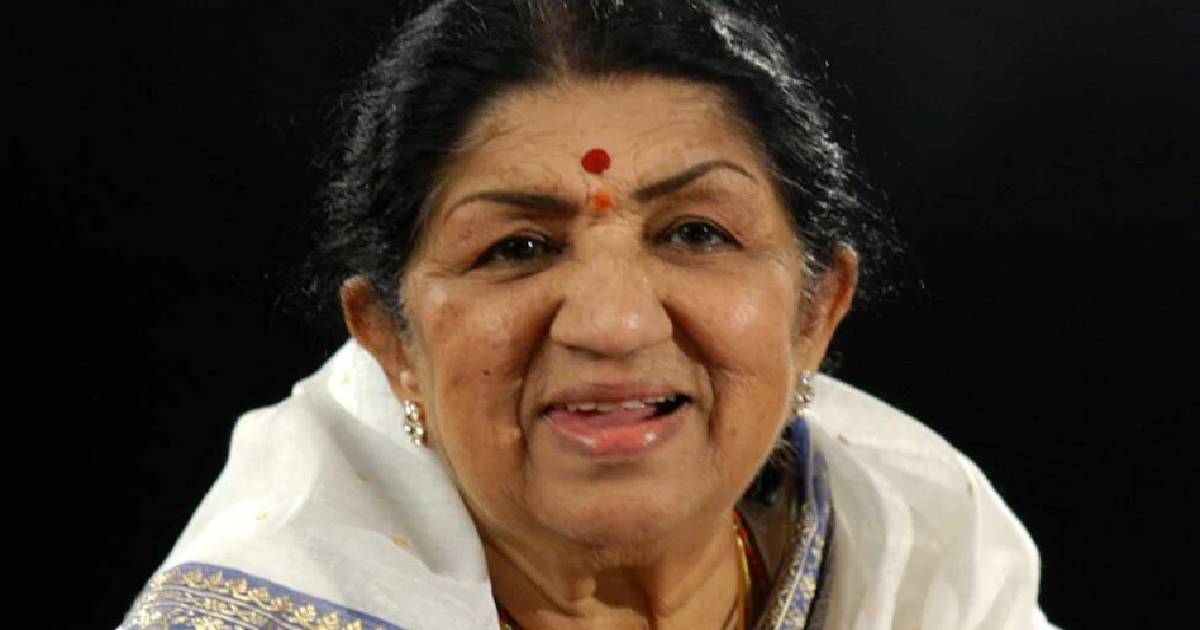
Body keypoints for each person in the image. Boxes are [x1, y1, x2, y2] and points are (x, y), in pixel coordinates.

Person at [121, 1, 1057, 628]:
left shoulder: (925, 557)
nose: (613, 325)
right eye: (517, 248)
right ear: (389, 342)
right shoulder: (269, 606)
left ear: (816, 312)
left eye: (696, 233)